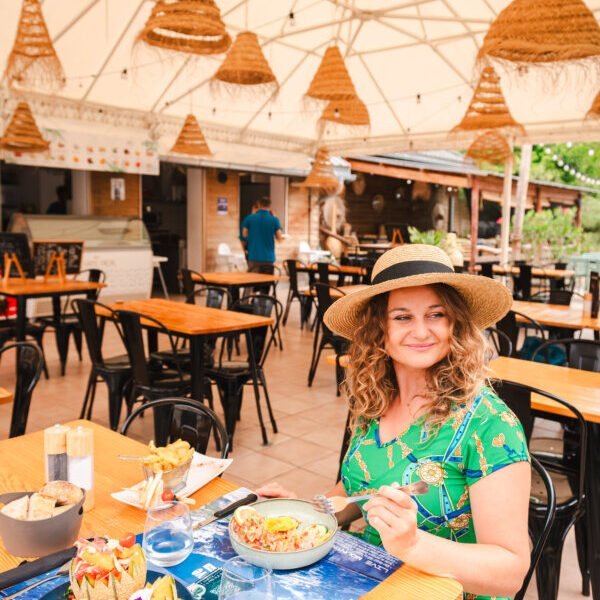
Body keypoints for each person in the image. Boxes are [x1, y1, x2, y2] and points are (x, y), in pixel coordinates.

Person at [258, 244, 531, 600]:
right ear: (380, 332)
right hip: (370, 582)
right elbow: (355, 491)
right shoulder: (373, 400)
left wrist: (413, 544)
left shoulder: (490, 425)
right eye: (402, 317)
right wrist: (304, 515)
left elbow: (510, 571)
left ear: (455, 324)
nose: (421, 331)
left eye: (436, 315)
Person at [241, 196, 282, 273]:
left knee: (254, 282)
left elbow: (244, 235)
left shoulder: (249, 218)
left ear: (259, 205)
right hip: (268, 258)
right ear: (270, 206)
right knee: (266, 282)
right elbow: (279, 238)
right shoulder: (274, 220)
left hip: (253, 256)